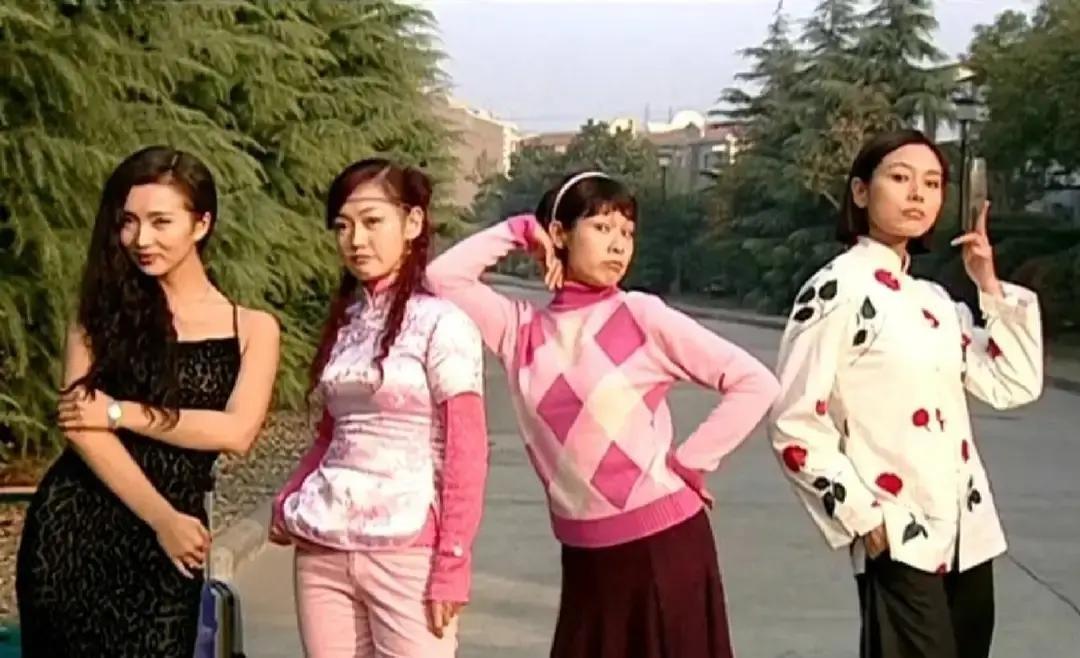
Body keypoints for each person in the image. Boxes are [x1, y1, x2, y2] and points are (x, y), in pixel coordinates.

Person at [426, 171, 780, 658]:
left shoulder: (640, 316)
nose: (618, 245)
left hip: (663, 547)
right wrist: (520, 231)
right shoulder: (520, 331)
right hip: (585, 560)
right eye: (601, 227)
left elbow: (754, 382)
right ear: (559, 234)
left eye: (627, 232)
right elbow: (442, 277)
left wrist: (692, 461)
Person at [768, 129, 1043, 658]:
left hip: (968, 534)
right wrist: (865, 519)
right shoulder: (836, 290)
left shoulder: (933, 300)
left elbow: (1014, 381)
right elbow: (793, 419)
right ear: (860, 192)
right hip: (899, 534)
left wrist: (988, 286)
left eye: (932, 183)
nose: (917, 193)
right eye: (899, 177)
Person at [16, 146, 280, 657]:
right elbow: (81, 428)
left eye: (161, 221)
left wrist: (120, 412)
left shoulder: (251, 328)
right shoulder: (96, 317)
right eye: (129, 221)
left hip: (173, 549)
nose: (141, 239)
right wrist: (161, 518)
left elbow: (237, 432)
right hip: (76, 532)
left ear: (201, 224)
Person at [269, 159, 488, 658]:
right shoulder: (346, 322)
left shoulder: (443, 323)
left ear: (412, 223)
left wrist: (453, 561)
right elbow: (331, 435)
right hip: (324, 545)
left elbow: (467, 450)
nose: (356, 240)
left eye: (372, 221)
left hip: (407, 547)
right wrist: (288, 497)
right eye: (343, 226)